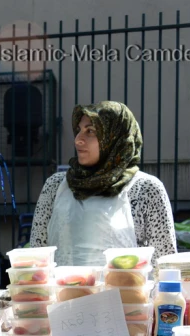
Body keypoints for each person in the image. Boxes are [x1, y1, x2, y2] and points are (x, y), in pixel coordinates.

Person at [30, 101, 177, 266]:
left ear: (115, 137)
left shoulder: (146, 189)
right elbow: (37, 258)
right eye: (78, 130)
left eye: (90, 131)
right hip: (63, 291)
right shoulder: (55, 186)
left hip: (127, 292)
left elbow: (166, 267)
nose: (78, 140)